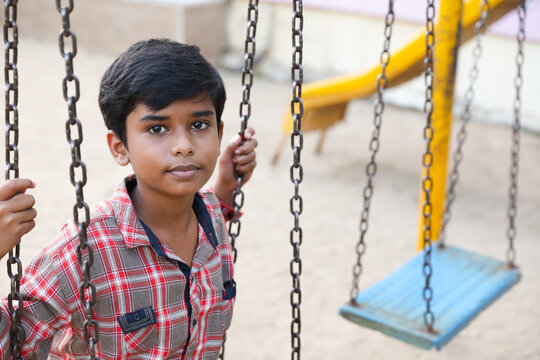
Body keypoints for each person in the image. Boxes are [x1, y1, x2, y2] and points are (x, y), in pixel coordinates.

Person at [0, 38, 258, 359]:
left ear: (219, 133)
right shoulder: (84, 251)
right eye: (157, 129)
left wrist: (226, 185)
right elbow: (12, 344)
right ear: (119, 147)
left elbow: (217, 208)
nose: (183, 145)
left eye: (199, 125)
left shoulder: (212, 220)